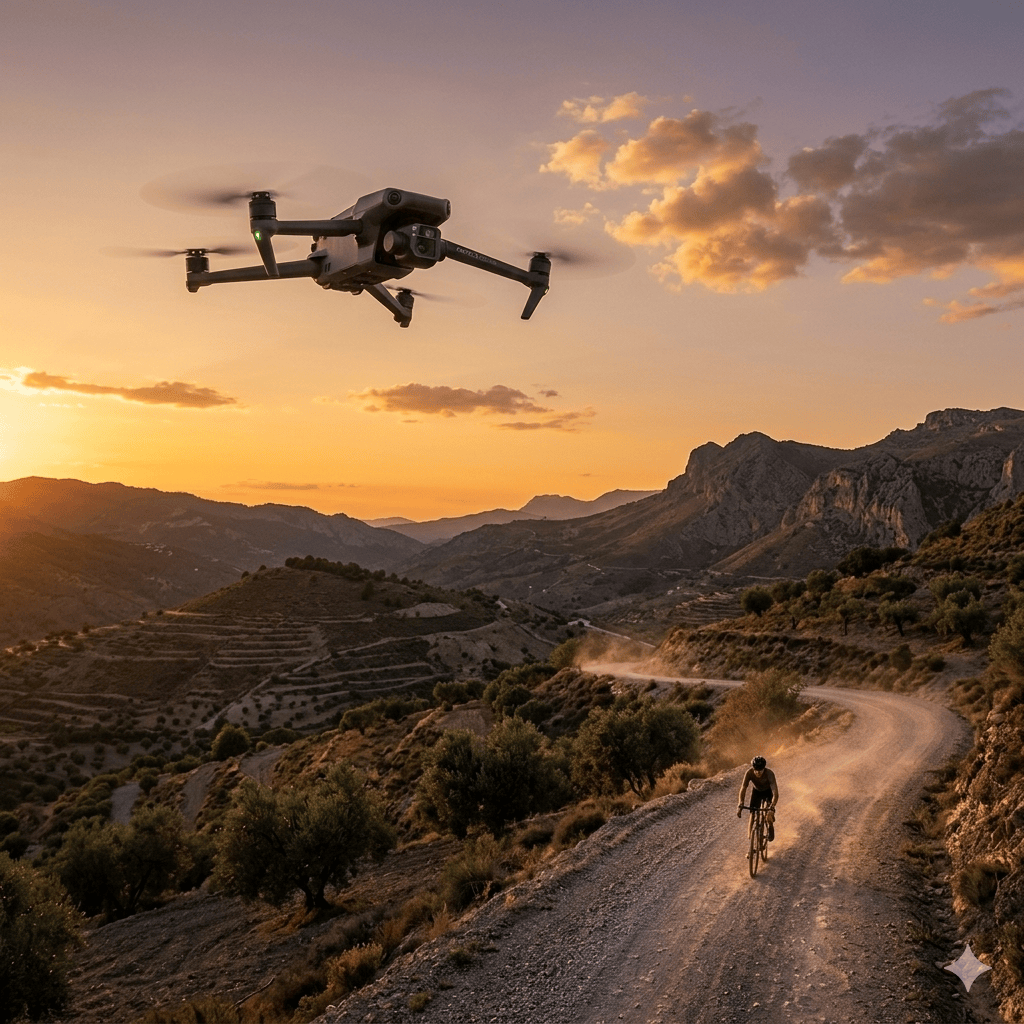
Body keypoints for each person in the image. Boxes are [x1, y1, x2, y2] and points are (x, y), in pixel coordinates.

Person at [737, 755, 778, 841]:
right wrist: (740, 803)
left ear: (764, 768)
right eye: (756, 770)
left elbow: (775, 793)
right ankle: (750, 842)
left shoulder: (769, 774)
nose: (758, 772)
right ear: (753, 768)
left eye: (760, 770)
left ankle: (770, 825)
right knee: (752, 813)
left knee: (768, 814)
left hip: (768, 792)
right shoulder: (749, 773)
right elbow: (743, 788)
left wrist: (772, 806)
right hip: (757, 792)